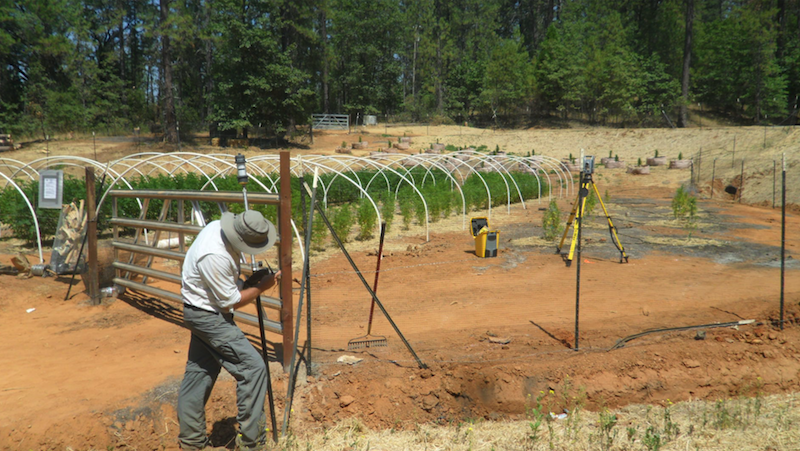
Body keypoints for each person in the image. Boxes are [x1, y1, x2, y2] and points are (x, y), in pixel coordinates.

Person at [177, 210, 280, 451]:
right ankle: (252, 444)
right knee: (253, 368)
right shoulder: (214, 255)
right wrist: (261, 287)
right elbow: (229, 302)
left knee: (199, 372)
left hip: (199, 310)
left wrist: (247, 282)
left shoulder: (217, 228)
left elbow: (228, 288)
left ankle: (191, 442)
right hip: (209, 317)